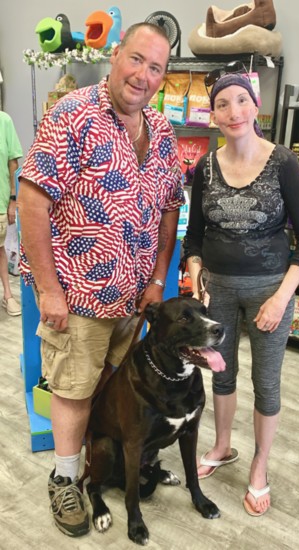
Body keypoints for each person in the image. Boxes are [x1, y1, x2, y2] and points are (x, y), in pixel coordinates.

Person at [17, 23, 184, 538]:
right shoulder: (71, 115)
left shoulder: (162, 131)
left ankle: (102, 463)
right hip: (78, 296)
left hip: (134, 298)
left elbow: (169, 208)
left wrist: (158, 276)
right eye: (137, 60)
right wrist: (47, 288)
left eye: (155, 67)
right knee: (72, 388)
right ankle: (65, 479)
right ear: (116, 56)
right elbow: (32, 202)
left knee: (112, 389)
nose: (143, 75)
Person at [183, 68, 299, 517]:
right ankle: (223, 446)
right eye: (223, 103)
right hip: (217, 290)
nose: (233, 110)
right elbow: (195, 237)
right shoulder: (204, 166)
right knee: (221, 373)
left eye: (241, 100)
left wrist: (281, 299)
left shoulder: (283, 162)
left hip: (270, 291)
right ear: (213, 115)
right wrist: (195, 268)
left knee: (266, 381)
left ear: (255, 107)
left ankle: (260, 464)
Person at [0, 111, 23, 316]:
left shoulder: (4, 120)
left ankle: (7, 295)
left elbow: (12, 164)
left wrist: (12, 200)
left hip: (0, 200)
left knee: (0, 249)